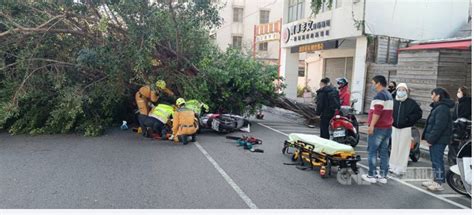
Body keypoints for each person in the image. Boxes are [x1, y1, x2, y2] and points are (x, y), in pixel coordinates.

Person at [361, 75, 393, 184]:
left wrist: (371, 126)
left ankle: (371, 175)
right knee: (384, 152)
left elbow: (377, 112)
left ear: (378, 83)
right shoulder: (389, 95)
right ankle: (383, 176)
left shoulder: (379, 95)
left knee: (372, 151)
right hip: (388, 128)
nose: (372, 85)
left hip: (378, 128)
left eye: (373, 83)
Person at [421, 88, 454, 192]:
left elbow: (439, 126)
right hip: (437, 139)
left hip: (439, 140)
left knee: (437, 160)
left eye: (433, 94)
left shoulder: (442, 108)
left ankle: (438, 183)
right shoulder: (439, 107)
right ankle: (435, 180)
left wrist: (431, 139)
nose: (431, 96)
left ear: (438, 96)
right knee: (435, 161)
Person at [389, 83, 422, 175]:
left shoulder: (411, 103)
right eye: (399, 90)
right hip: (394, 127)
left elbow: (419, 114)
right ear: (396, 91)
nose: (401, 92)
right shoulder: (393, 101)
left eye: (403, 90)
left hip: (406, 128)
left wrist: (409, 120)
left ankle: (400, 168)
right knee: (394, 147)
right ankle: (392, 165)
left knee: (403, 148)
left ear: (407, 91)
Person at [448, 86, 471, 166]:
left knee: (454, 148)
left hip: (459, 130)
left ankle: (455, 166)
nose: (457, 93)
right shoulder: (469, 102)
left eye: (459, 91)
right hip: (467, 131)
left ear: (463, 93)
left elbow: (457, 117)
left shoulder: (461, 103)